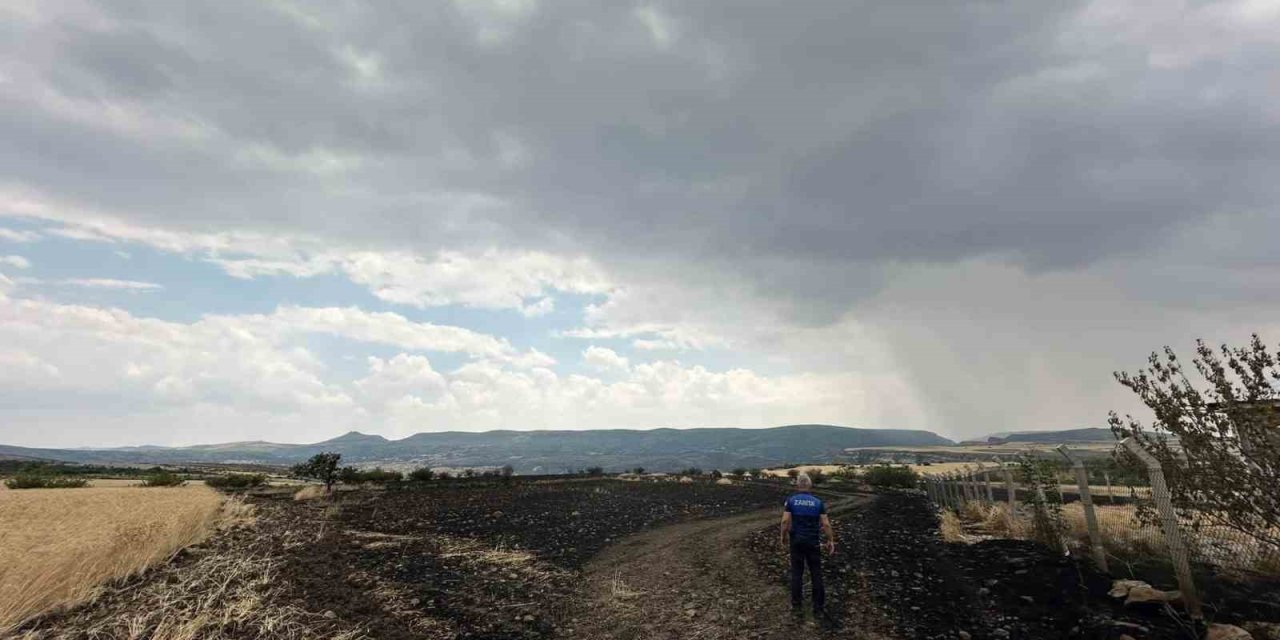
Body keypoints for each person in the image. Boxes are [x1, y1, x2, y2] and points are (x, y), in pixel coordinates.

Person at [780, 472, 835, 622]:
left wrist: (782, 537)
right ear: (810, 485)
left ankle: (797, 605)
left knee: (797, 573)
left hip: (796, 541)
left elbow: (785, 522)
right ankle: (818, 607)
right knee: (816, 573)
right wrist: (831, 540)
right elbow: (826, 524)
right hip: (813, 542)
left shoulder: (791, 501)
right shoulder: (818, 502)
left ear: (798, 485)